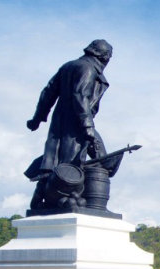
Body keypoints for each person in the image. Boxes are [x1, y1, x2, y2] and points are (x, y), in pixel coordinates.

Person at [25, 39, 113, 209]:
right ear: (104, 57)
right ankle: (77, 199)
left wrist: (37, 118)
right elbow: (80, 95)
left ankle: (40, 200)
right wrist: (87, 125)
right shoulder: (88, 68)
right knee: (77, 161)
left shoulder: (68, 66)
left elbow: (47, 93)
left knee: (54, 161)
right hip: (76, 122)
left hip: (61, 122)